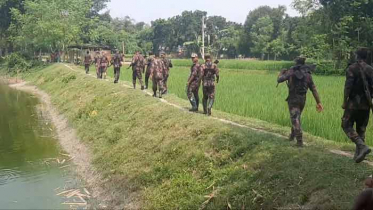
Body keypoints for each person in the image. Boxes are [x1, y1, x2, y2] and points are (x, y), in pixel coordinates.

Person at [277, 56, 324, 147]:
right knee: (296, 117)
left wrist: (281, 72)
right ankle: (292, 136)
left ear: (296, 62)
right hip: (302, 99)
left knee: (295, 118)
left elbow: (279, 80)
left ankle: (299, 141)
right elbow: (313, 89)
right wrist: (318, 102)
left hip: (293, 98)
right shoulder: (307, 74)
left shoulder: (291, 71)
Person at [342, 48, 373, 163]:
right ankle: (359, 156)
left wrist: (345, 101)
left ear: (357, 56)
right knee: (361, 129)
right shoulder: (370, 69)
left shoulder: (352, 68)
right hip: (366, 104)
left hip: (353, 104)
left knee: (345, 124)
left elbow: (348, 86)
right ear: (365, 57)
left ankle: (362, 146)